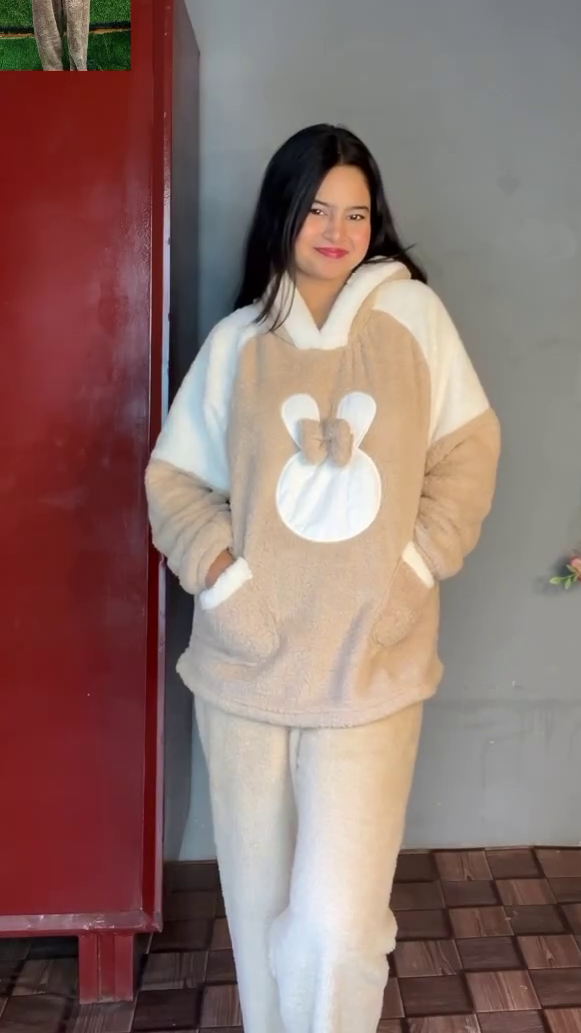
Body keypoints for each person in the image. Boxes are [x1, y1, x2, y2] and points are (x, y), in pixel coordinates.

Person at [145, 124, 501, 1033]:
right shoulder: (239, 341)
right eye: (316, 210)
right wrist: (225, 584)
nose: (337, 231)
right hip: (247, 671)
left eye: (356, 213)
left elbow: (468, 454)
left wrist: (412, 574)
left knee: (338, 926)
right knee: (258, 908)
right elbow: (174, 483)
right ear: (283, 214)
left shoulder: (413, 318)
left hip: (370, 665)